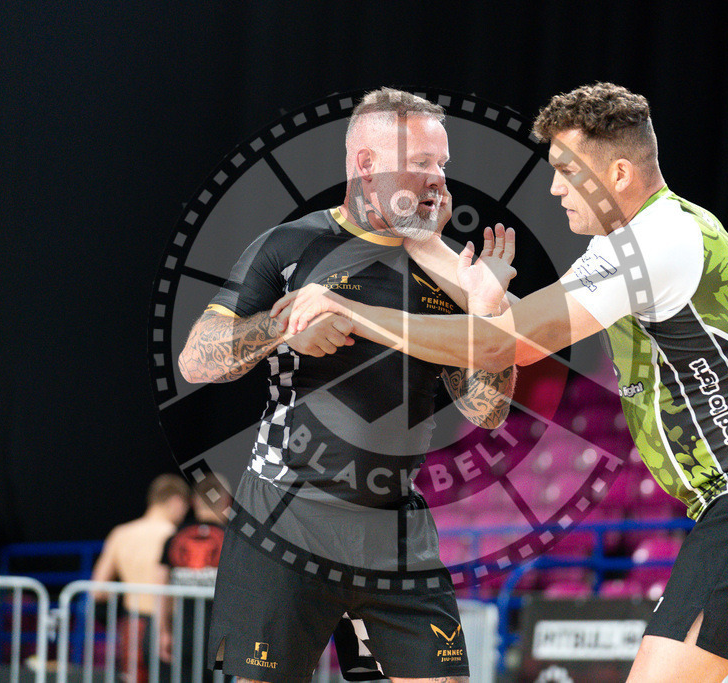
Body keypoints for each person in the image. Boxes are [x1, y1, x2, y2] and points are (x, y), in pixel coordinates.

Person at [275, 82, 728, 683]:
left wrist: (355, 315)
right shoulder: (650, 234)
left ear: (621, 173)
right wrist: (427, 244)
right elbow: (514, 322)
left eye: (566, 171)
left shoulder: (650, 246)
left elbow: (506, 344)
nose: (553, 188)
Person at [178, 87, 517, 682]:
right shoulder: (292, 246)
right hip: (286, 518)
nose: (437, 179)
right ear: (365, 165)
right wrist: (282, 327)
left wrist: (488, 311)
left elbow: (487, 410)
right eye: (420, 165)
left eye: (442, 165)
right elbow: (196, 362)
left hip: (396, 528)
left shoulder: (442, 271)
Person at [92, 473, 191, 681]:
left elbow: (98, 590)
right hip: (169, 627)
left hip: (132, 625)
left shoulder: (121, 533)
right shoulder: (176, 537)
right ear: (176, 501)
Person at [158, 472, 232, 682]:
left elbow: (161, 588)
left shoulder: (174, 538)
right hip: (223, 641)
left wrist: (163, 631)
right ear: (226, 501)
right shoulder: (235, 541)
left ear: (194, 501)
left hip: (183, 635)